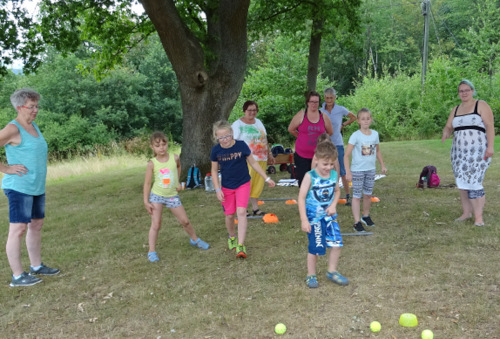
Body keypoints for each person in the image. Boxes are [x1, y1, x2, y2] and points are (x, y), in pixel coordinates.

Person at [0, 88, 59, 287]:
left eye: (36, 106)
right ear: (19, 107)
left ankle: (36, 266)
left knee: (36, 225)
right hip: (19, 187)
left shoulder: (33, 126)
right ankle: (17, 276)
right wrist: (6, 168)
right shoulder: (13, 128)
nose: (35, 110)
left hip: (35, 187)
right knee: (18, 229)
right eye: (31, 106)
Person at [210, 120, 275, 259]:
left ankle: (240, 245)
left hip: (243, 184)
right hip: (227, 186)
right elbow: (214, 171)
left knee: (241, 212)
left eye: (227, 136)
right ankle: (232, 236)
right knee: (229, 215)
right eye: (220, 138)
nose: (224, 140)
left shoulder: (241, 145)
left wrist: (266, 178)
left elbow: (253, 162)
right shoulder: (216, 150)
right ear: (216, 137)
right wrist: (217, 189)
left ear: (232, 133)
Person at [143, 131, 209, 263]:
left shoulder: (175, 158)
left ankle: (194, 239)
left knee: (185, 221)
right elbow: (148, 183)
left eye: (164, 144)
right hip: (157, 196)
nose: (161, 147)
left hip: (172, 195)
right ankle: (151, 251)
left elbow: (178, 168)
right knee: (156, 224)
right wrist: (146, 201)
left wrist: (177, 182)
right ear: (152, 147)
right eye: (157, 145)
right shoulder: (152, 163)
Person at [441, 80, 495, 226]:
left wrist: (490, 147)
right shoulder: (456, 109)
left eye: (466, 90)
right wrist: (446, 133)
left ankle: (478, 218)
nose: (464, 93)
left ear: (472, 91)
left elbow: (490, 126)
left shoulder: (481, 105)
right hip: (459, 153)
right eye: (461, 91)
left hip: (477, 152)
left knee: (474, 182)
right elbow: (448, 126)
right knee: (462, 183)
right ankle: (466, 213)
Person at [298, 140, 348, 288]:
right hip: (314, 219)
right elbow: (301, 198)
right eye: (325, 164)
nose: (329, 167)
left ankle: (332, 271)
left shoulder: (333, 175)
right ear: (316, 160)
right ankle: (310, 275)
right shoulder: (310, 176)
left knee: (337, 244)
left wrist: (333, 205)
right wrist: (304, 220)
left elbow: (337, 191)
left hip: (330, 217)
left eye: (332, 164)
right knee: (316, 248)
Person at [344, 108, 387, 233]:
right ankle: (357, 222)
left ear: (371, 119)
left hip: (370, 169)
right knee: (357, 196)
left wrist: (382, 165)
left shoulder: (375, 134)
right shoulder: (355, 136)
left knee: (368, 194)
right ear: (358, 121)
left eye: (368, 118)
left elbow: (377, 151)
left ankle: (365, 216)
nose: (366, 121)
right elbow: (346, 155)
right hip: (357, 170)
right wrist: (348, 172)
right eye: (363, 119)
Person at [232, 100, 275, 216]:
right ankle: (243, 209)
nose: (252, 112)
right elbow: (233, 142)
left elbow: (264, 139)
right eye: (249, 110)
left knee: (257, 184)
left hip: (261, 158)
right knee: (246, 184)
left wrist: (269, 154)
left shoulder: (259, 122)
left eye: (254, 110)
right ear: (244, 110)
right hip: (246, 160)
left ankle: (256, 209)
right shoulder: (238, 125)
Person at [288, 91, 333, 186]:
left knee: (318, 182)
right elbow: (291, 129)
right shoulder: (301, 115)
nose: (314, 104)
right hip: (302, 156)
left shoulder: (323, 116)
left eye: (316, 102)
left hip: (319, 156)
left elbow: (330, 132)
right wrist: (301, 137)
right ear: (307, 102)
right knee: (304, 182)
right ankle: (304, 200)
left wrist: (323, 142)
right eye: (312, 101)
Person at [320, 87, 357, 205]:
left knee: (342, 169)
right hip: (325, 144)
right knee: (326, 169)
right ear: (324, 98)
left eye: (331, 98)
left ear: (335, 98)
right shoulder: (321, 111)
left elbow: (354, 117)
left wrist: (343, 124)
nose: (329, 100)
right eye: (327, 98)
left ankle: (347, 195)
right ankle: (328, 195)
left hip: (338, 143)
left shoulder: (340, 109)